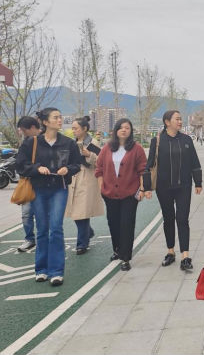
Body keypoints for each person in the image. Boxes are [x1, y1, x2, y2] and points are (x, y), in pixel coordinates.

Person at [16, 108, 82, 287]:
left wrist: (68, 169)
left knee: (56, 228)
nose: (60, 120)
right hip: (38, 189)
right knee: (42, 229)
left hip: (59, 189)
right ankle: (41, 269)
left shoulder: (68, 143)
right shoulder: (31, 142)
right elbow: (20, 165)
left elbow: (77, 164)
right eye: (56, 117)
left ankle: (56, 272)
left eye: (60, 117)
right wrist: (37, 168)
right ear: (45, 122)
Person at [143, 110, 202, 270]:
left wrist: (198, 182)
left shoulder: (186, 140)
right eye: (177, 119)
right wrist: (146, 187)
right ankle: (170, 252)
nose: (180, 121)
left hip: (184, 186)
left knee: (182, 219)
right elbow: (149, 165)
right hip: (163, 188)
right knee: (168, 219)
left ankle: (185, 256)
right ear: (167, 122)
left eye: (181, 119)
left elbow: (194, 162)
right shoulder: (157, 141)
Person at [95, 119, 148, 272]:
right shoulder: (107, 148)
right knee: (113, 223)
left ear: (131, 131)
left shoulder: (137, 149)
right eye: (121, 127)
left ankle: (126, 257)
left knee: (127, 224)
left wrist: (142, 189)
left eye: (127, 128)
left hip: (130, 194)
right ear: (116, 130)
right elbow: (99, 169)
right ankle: (117, 250)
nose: (124, 130)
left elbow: (143, 170)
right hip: (110, 194)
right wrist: (101, 188)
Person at [66, 116, 104, 255]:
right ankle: (88, 232)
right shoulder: (72, 143)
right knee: (76, 213)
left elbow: (101, 161)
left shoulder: (93, 143)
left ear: (84, 129)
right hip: (73, 180)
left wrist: (89, 155)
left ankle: (82, 244)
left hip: (87, 181)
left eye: (76, 128)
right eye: (73, 128)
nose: (73, 130)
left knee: (81, 213)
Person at [15, 116, 41, 253]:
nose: (22, 132)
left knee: (43, 214)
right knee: (26, 213)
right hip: (28, 182)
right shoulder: (26, 143)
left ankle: (42, 239)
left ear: (32, 127)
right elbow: (19, 164)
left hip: (44, 184)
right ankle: (29, 239)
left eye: (24, 130)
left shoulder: (45, 140)